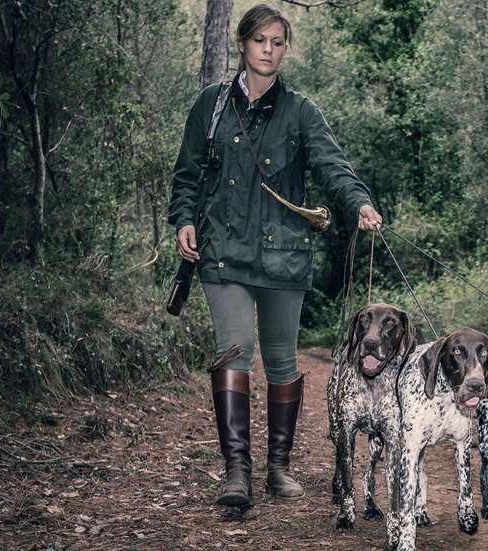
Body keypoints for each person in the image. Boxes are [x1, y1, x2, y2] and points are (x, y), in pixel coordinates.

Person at [168, 4, 382, 507]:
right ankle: (236, 473)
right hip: (222, 253)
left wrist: (361, 204)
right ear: (242, 44)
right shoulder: (210, 106)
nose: (268, 50)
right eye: (260, 40)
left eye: (278, 42)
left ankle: (278, 468)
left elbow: (334, 166)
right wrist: (184, 218)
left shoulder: (302, 111)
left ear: (285, 49)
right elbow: (187, 175)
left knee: (283, 361)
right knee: (235, 350)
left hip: (285, 255)